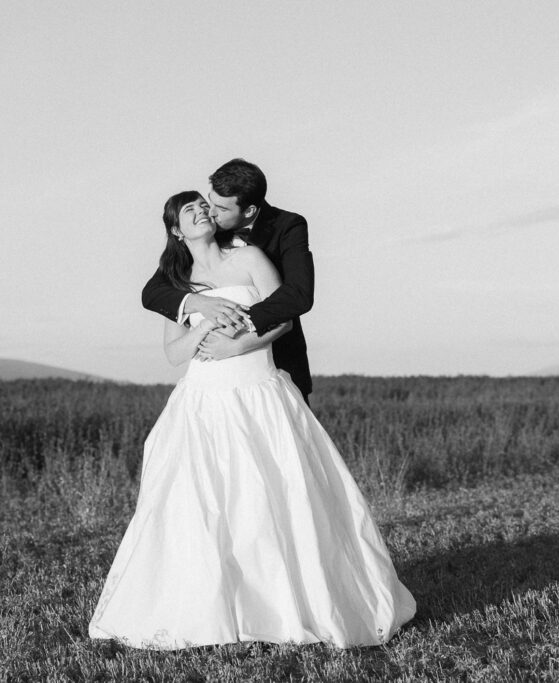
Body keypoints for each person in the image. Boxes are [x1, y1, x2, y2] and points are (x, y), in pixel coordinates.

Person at [88, 191, 415, 649]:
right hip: (203, 402)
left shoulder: (250, 258)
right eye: (189, 210)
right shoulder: (176, 282)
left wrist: (237, 345)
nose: (202, 210)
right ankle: (215, 609)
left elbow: (284, 318)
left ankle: (282, 608)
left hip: (259, 390)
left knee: (274, 499)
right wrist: (203, 318)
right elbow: (174, 354)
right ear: (177, 231)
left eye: (203, 204)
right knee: (203, 506)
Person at [142, 159, 314, 402]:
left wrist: (237, 334)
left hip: (272, 368)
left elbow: (297, 297)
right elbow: (153, 292)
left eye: (220, 208)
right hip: (209, 386)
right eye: (209, 201)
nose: (209, 212)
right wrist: (200, 304)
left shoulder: (286, 228)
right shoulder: (200, 241)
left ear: (249, 211)